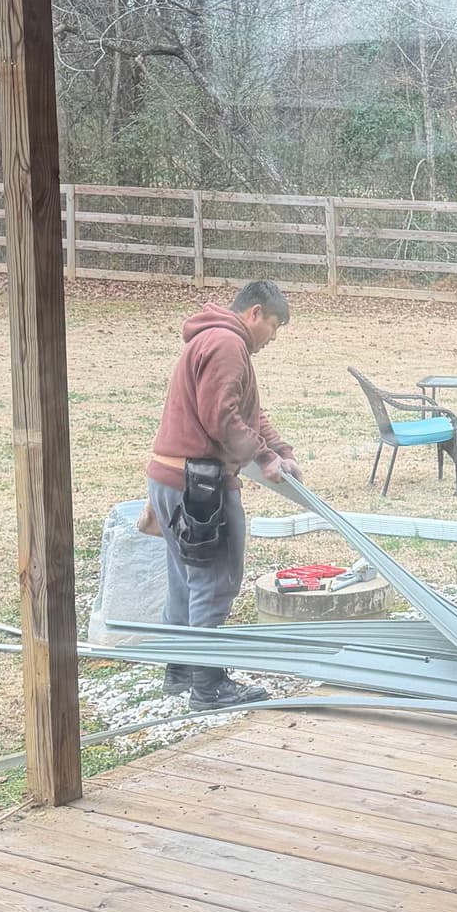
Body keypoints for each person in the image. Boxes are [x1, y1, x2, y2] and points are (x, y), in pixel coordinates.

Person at [144, 278, 300, 708]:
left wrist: (280, 449)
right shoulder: (228, 345)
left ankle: (179, 669)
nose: (272, 338)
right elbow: (222, 417)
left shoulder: (215, 340)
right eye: (274, 326)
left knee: (185, 579)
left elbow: (249, 410)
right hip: (200, 488)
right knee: (215, 580)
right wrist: (265, 458)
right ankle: (209, 686)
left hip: (170, 479)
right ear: (254, 313)